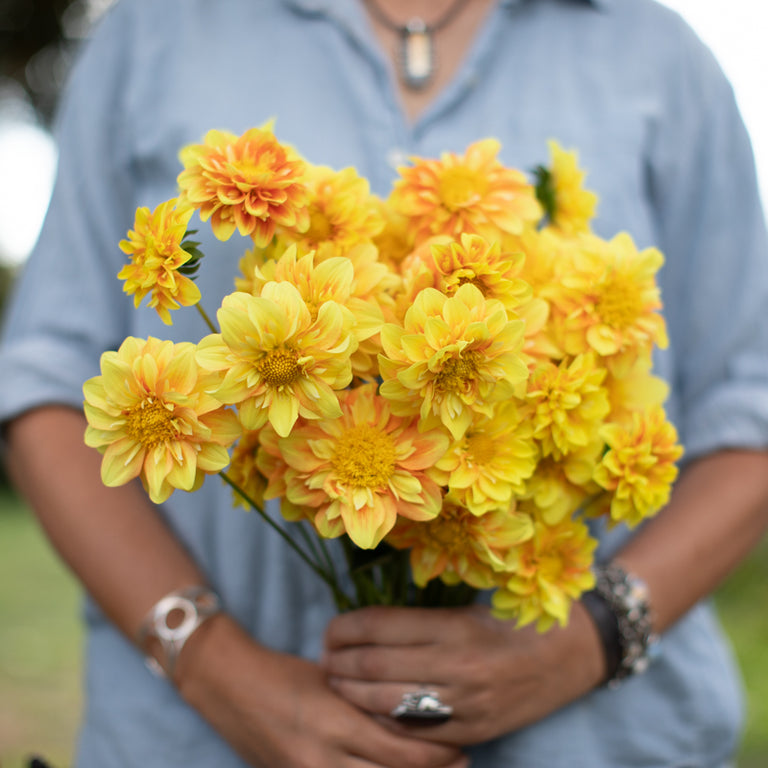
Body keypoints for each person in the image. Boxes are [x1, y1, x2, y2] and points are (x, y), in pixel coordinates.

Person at [2, 0, 768, 766]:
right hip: (200, 740)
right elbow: (44, 387)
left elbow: (752, 409)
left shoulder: (657, 52)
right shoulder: (156, 29)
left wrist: (589, 639)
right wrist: (215, 667)